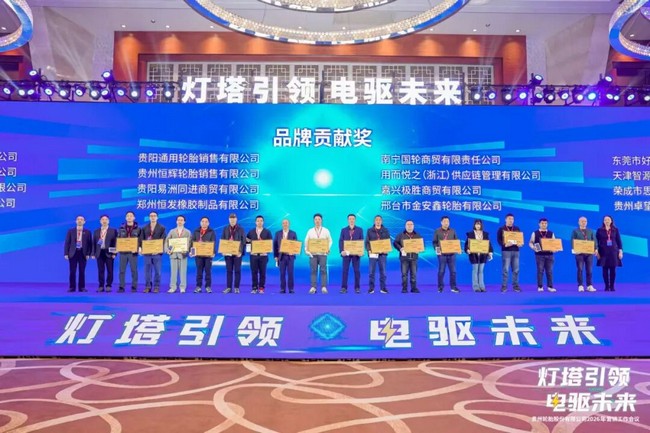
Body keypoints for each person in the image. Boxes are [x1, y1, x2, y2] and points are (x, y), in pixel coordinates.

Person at [304, 213, 333, 294]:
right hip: (313, 254)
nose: (317, 221)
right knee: (313, 270)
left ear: (321, 220)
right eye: (316, 219)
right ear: (314, 221)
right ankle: (313, 287)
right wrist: (306, 250)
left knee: (323, 270)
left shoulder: (326, 230)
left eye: (319, 219)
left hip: (323, 253)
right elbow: (306, 242)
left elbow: (330, 241)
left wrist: (327, 248)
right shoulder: (310, 231)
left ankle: (324, 287)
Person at [64, 215, 93, 292]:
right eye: (78, 219)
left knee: (82, 271)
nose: (80, 220)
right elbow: (67, 243)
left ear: (84, 222)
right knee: (72, 271)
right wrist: (66, 253)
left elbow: (90, 244)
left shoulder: (88, 232)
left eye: (81, 219)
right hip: (73, 253)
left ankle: (82, 287)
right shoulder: (70, 231)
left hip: (83, 253)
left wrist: (88, 254)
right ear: (76, 221)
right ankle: (72, 287)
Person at [140, 211, 166, 293]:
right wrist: (141, 248)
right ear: (149, 217)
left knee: (157, 271)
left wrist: (158, 250)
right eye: (151, 216)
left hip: (157, 253)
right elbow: (141, 239)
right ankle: (148, 286)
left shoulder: (162, 228)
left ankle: (156, 286)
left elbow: (163, 240)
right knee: (147, 271)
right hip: (147, 253)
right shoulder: (144, 228)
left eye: (154, 216)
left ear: (157, 217)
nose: (153, 217)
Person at [496, 213, 523, 292]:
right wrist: (504, 244)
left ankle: (516, 286)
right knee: (505, 270)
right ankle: (504, 286)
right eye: (509, 219)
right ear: (505, 219)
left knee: (516, 270)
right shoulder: (501, 229)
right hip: (506, 251)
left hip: (516, 251)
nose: (511, 220)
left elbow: (520, 239)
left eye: (512, 219)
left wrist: (520, 243)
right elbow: (499, 240)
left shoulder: (517, 228)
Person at [432, 215, 460, 293]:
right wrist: (437, 250)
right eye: (444, 221)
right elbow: (434, 242)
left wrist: (458, 249)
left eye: (447, 221)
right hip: (442, 254)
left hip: (452, 254)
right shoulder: (437, 231)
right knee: (441, 271)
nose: (446, 223)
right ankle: (440, 287)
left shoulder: (453, 231)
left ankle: (453, 287)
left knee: (453, 271)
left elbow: (456, 241)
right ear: (441, 222)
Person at [528, 217, 557, 292]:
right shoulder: (535, 233)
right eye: (542, 223)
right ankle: (540, 286)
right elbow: (530, 242)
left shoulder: (551, 233)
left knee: (549, 271)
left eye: (545, 223)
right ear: (539, 224)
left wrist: (555, 248)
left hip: (550, 255)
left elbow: (554, 243)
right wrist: (533, 247)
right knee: (540, 271)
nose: (544, 224)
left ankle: (550, 286)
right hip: (539, 255)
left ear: (547, 224)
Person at [165, 215, 192, 293]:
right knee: (173, 272)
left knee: (183, 272)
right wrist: (167, 250)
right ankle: (173, 287)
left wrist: (187, 250)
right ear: (176, 221)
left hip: (183, 255)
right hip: (173, 254)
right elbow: (167, 241)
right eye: (178, 220)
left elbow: (190, 243)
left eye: (181, 220)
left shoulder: (188, 232)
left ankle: (182, 287)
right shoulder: (172, 231)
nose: (180, 221)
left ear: (184, 222)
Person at [464, 219, 493, 292]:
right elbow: (466, 244)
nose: (478, 225)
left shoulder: (485, 234)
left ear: (481, 225)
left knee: (481, 271)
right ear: (474, 225)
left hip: (483, 254)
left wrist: (490, 253)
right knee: (475, 270)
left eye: (479, 224)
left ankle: (482, 287)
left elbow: (488, 244)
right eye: (476, 224)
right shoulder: (470, 234)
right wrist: (467, 250)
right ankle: (476, 287)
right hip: (474, 255)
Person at [393, 220, 422, 293]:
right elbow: (395, 243)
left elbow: (421, 245)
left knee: (414, 274)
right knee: (404, 274)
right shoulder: (400, 235)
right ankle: (404, 288)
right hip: (404, 258)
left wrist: (419, 249)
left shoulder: (417, 235)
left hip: (414, 258)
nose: (409, 226)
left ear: (413, 226)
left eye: (411, 224)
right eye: (408, 224)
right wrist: (400, 248)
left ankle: (413, 288)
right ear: (405, 226)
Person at [247, 215, 273, 294]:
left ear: (263, 222)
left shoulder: (267, 232)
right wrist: (249, 251)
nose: (259, 222)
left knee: (262, 272)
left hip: (263, 256)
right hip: (253, 256)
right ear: (255, 222)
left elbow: (270, 243)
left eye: (261, 221)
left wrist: (266, 251)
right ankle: (254, 287)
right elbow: (247, 242)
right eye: (258, 221)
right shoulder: (251, 232)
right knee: (254, 272)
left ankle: (261, 287)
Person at [596, 215, 623, 291]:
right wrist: (596, 251)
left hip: (613, 252)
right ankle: (606, 286)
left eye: (608, 219)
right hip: (603, 252)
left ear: (611, 221)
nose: (607, 221)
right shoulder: (599, 230)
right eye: (605, 220)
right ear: (603, 221)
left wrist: (620, 251)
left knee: (613, 270)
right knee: (604, 269)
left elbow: (619, 241)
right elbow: (596, 241)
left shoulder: (615, 230)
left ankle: (612, 286)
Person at [339, 214, 364, 294]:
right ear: (348, 220)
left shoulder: (360, 230)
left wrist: (361, 251)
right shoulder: (343, 230)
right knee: (345, 270)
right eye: (350, 219)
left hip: (356, 254)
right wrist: (341, 251)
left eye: (353, 219)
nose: (351, 220)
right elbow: (341, 241)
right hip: (346, 254)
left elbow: (361, 241)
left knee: (357, 271)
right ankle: (344, 288)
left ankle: (357, 287)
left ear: (355, 220)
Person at [117, 211, 142, 293]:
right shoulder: (121, 228)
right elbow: (118, 239)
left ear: (134, 218)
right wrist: (118, 247)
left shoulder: (138, 229)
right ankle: (121, 287)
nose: (129, 217)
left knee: (134, 270)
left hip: (133, 253)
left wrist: (138, 248)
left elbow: (140, 240)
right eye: (128, 216)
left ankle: (134, 287)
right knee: (122, 270)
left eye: (131, 216)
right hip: (123, 252)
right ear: (125, 218)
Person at [222, 213, 246, 294]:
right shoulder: (225, 229)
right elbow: (223, 240)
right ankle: (228, 287)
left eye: (234, 219)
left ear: (236, 220)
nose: (232, 220)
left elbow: (243, 241)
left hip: (237, 254)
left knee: (237, 270)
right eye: (231, 219)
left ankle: (236, 287)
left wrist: (240, 251)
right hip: (228, 253)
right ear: (229, 220)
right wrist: (223, 250)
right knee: (229, 270)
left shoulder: (241, 229)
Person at [190, 216, 216, 294]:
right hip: (198, 256)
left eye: (206, 221)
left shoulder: (211, 231)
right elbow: (193, 242)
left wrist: (213, 252)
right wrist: (192, 252)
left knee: (208, 271)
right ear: (200, 222)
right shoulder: (196, 231)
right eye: (203, 221)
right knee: (199, 271)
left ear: (208, 223)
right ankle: (198, 287)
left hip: (208, 256)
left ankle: (208, 287)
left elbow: (213, 242)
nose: (204, 223)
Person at [365, 215, 390, 294]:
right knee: (371, 272)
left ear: (381, 221)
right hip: (373, 254)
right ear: (374, 221)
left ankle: (383, 288)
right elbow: (367, 242)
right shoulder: (369, 230)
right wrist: (369, 250)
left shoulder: (385, 230)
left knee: (383, 272)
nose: (378, 221)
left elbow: (388, 241)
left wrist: (387, 249)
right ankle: (371, 288)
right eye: (376, 220)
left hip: (382, 254)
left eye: (379, 220)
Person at [92, 215, 117, 293]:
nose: (104, 221)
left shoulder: (113, 231)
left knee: (110, 270)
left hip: (109, 253)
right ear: (100, 221)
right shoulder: (96, 231)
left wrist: (114, 253)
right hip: (99, 253)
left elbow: (115, 242)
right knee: (100, 270)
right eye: (103, 219)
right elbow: (93, 243)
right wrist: (93, 253)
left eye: (106, 219)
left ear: (108, 221)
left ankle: (108, 285)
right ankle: (101, 286)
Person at [571, 216, 597, 292]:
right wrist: (575, 250)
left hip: (589, 253)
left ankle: (589, 285)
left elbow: (594, 241)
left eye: (585, 221)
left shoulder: (590, 231)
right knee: (580, 269)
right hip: (579, 253)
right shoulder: (575, 231)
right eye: (582, 221)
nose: (583, 222)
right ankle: (580, 285)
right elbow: (572, 241)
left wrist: (596, 249)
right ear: (579, 222)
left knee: (589, 270)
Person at [273, 218, 298, 294]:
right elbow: (275, 245)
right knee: (282, 273)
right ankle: (282, 289)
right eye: (283, 223)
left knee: (290, 273)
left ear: (289, 224)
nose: (285, 224)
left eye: (286, 223)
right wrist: (275, 256)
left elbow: (296, 245)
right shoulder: (278, 233)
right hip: (281, 257)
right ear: (282, 224)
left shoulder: (293, 233)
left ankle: (291, 289)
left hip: (290, 257)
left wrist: (293, 252)